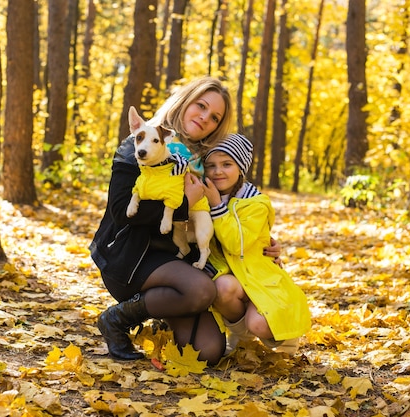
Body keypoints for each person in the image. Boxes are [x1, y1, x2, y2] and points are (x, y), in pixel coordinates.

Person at [89, 76, 235, 365]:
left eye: (215, 117)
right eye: (201, 106)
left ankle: (161, 313)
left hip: (175, 262)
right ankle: (116, 319)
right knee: (201, 289)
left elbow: (231, 210)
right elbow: (120, 210)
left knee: (207, 352)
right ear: (185, 101)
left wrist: (264, 242)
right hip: (131, 257)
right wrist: (184, 206)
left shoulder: (204, 161)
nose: (205, 118)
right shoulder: (141, 141)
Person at [201, 133, 311, 355]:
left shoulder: (255, 203)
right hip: (235, 280)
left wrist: (216, 206)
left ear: (241, 168)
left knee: (259, 323)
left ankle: (287, 335)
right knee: (222, 287)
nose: (217, 171)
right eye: (211, 165)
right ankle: (241, 338)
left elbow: (236, 243)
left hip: (258, 278)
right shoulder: (203, 197)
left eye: (226, 164)